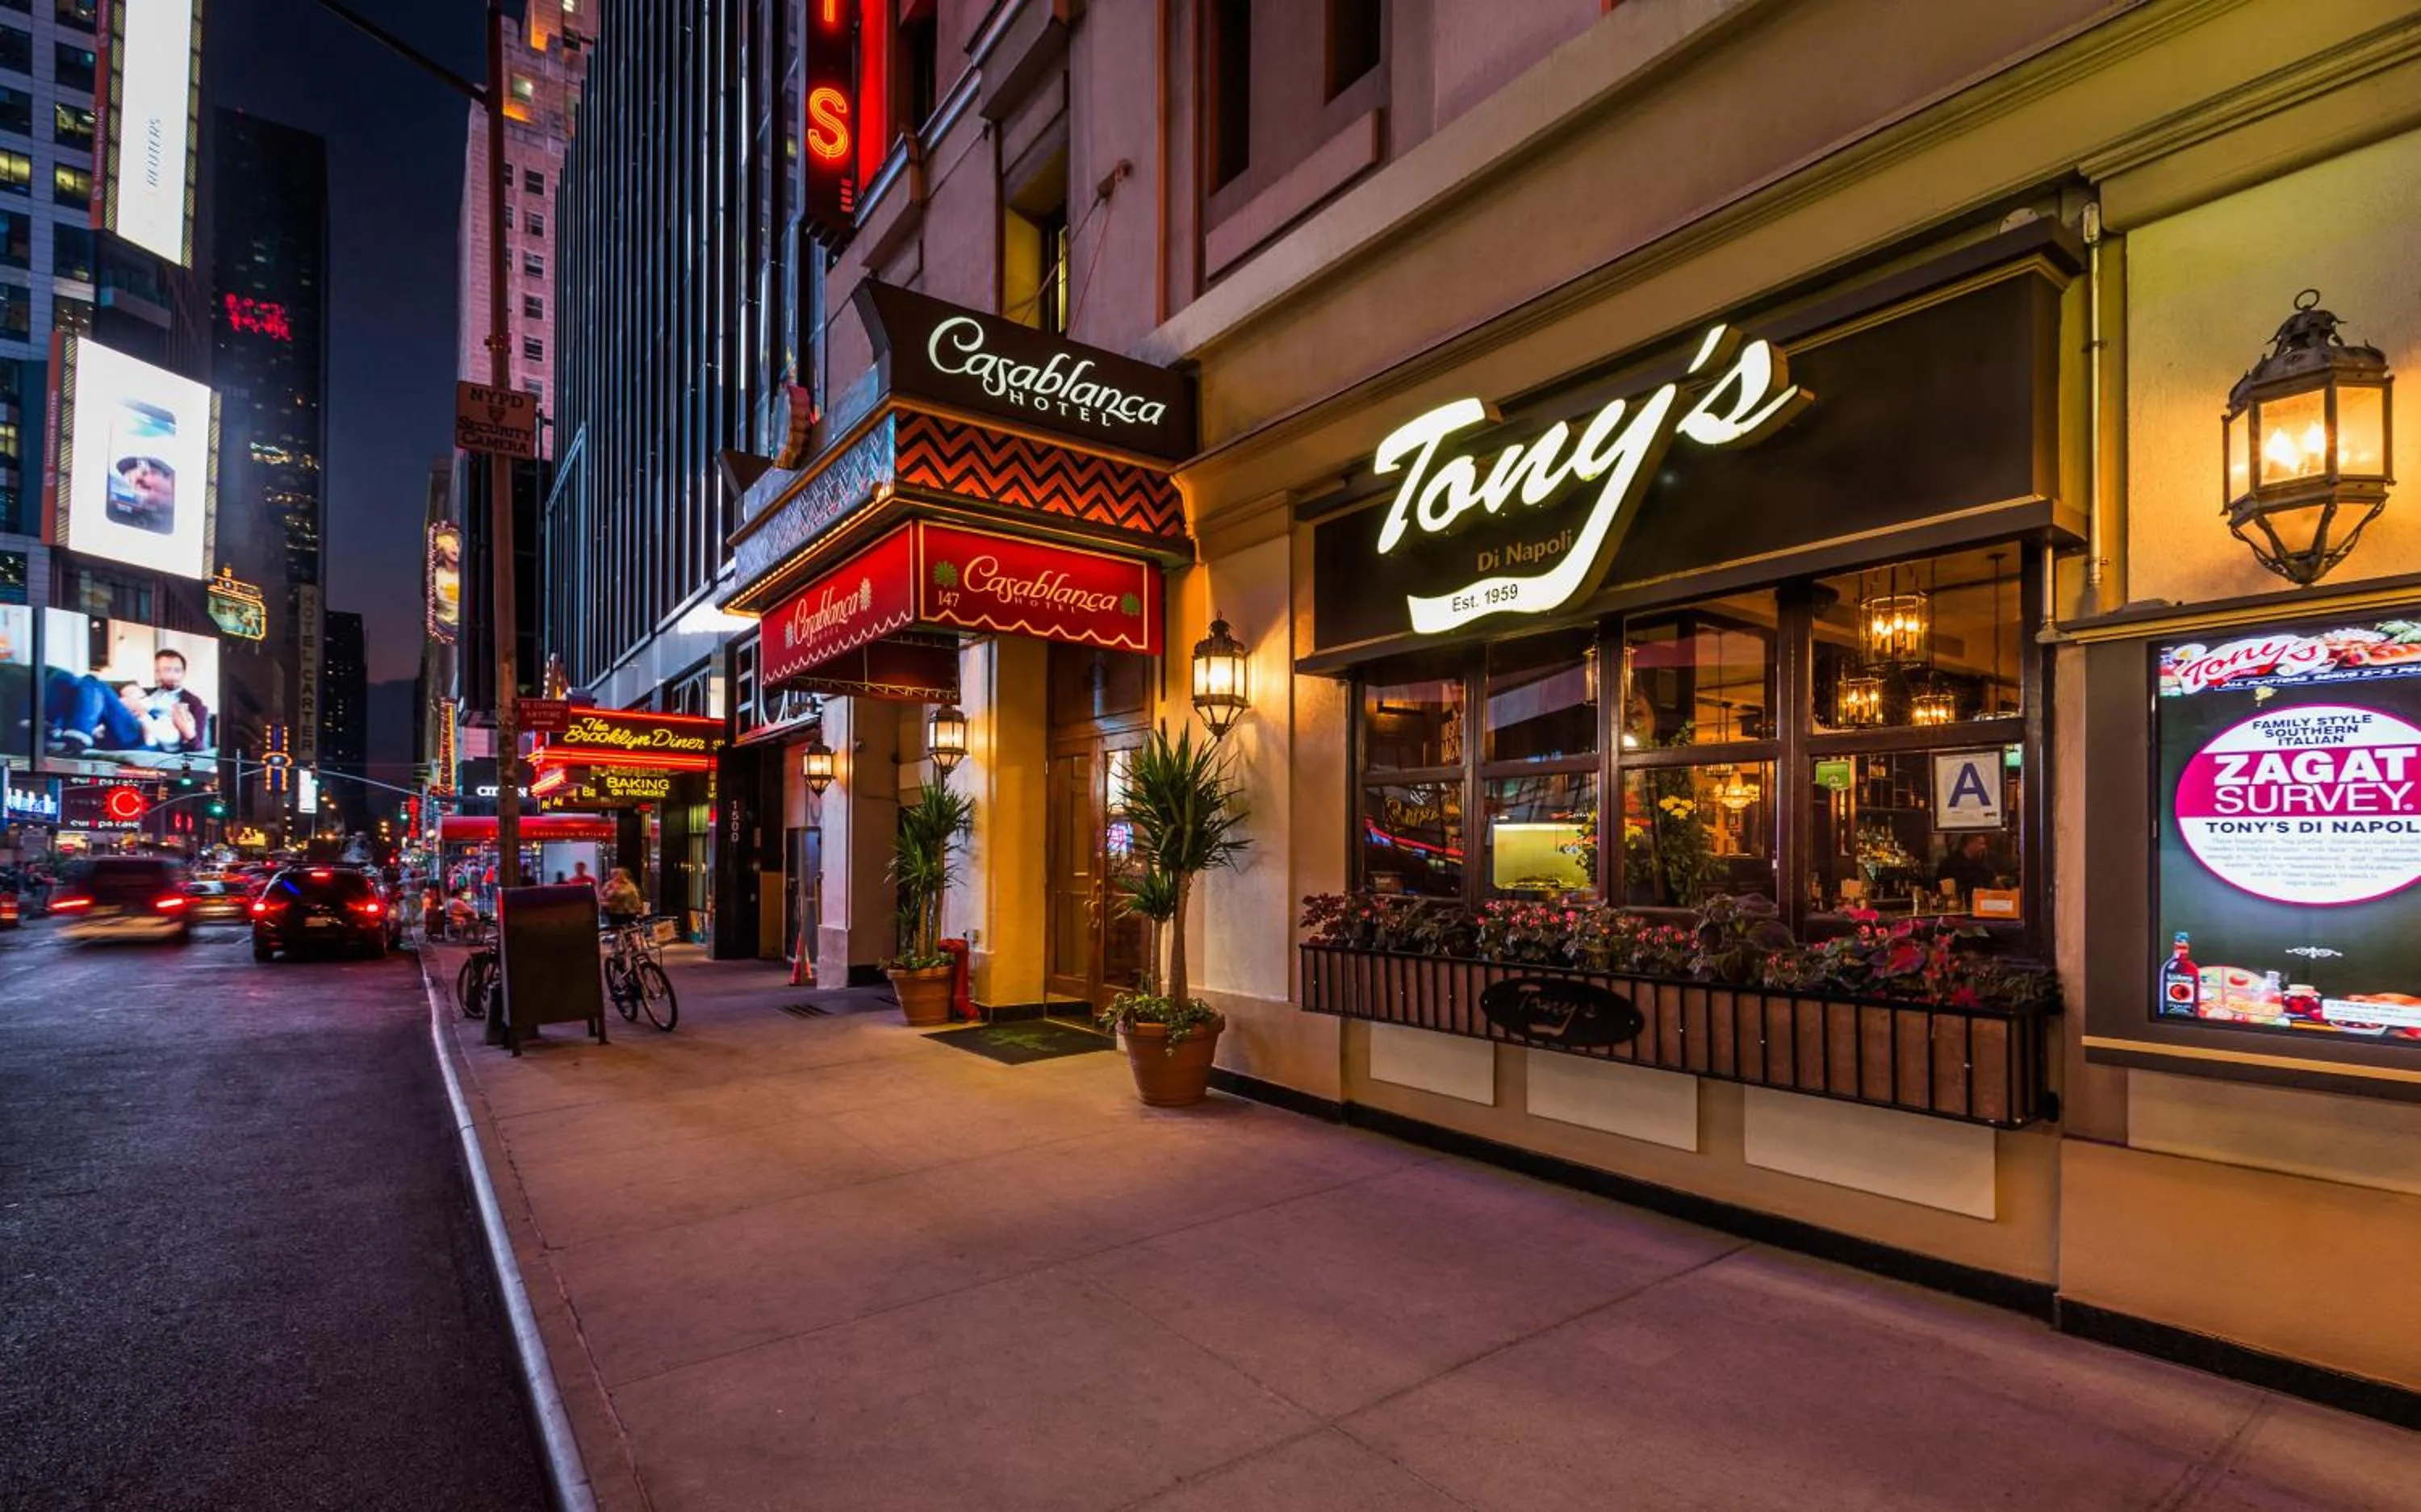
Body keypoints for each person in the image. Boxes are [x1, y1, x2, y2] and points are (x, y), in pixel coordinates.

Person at [1938, 833, 2005, 901]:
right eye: (1980, 844)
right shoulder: (1950, 863)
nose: (1983, 847)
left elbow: (1993, 881)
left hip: (1979, 904)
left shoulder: (1980, 863)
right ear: (1970, 843)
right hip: (1957, 905)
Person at [600, 867, 644, 932]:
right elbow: (602, 896)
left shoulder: (630, 885)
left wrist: (640, 909)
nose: (618, 876)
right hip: (615, 913)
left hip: (630, 912)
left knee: (629, 932)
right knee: (617, 932)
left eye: (620, 874)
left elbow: (635, 898)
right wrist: (613, 892)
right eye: (616, 874)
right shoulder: (609, 884)